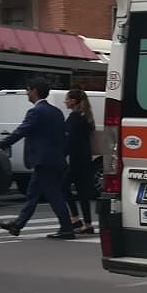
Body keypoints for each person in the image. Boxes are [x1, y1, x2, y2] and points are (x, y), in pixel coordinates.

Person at [0, 80, 74, 239]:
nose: (27, 94)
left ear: (35, 91)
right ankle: (17, 225)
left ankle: (67, 228)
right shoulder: (57, 112)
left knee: (54, 195)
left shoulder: (36, 112)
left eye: (28, 90)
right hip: (55, 160)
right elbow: (64, 137)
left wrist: (1, 144)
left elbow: (22, 131)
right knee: (33, 193)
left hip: (44, 161)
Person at [63, 88, 97, 236]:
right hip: (85, 159)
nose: (65, 101)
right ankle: (87, 224)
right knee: (82, 192)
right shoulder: (87, 117)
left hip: (76, 160)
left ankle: (76, 218)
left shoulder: (74, 118)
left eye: (67, 99)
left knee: (62, 186)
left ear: (74, 101)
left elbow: (69, 140)